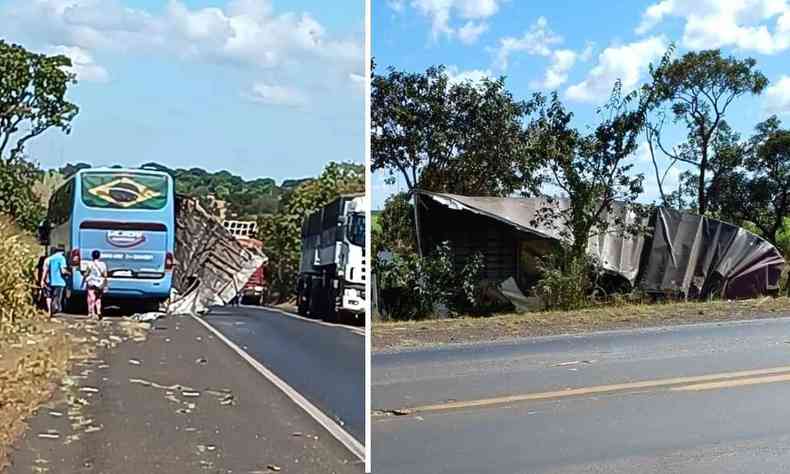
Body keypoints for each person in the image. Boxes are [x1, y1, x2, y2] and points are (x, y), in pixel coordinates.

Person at [40, 247, 69, 317]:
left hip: (50, 281)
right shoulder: (62, 258)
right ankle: (54, 308)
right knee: (57, 297)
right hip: (59, 282)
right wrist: (68, 273)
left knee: (49, 296)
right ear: (62, 252)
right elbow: (63, 270)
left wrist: (42, 280)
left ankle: (49, 311)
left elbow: (45, 270)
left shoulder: (50, 259)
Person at [84, 250, 108, 320]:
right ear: (99, 256)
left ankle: (91, 312)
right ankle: (99, 311)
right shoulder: (103, 264)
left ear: (92, 256)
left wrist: (84, 276)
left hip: (91, 282)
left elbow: (87, 273)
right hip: (99, 283)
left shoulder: (89, 264)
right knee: (98, 298)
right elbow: (105, 275)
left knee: (91, 298)